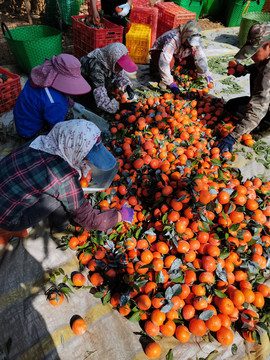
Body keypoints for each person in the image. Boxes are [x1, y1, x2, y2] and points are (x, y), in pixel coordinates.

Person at [0, 120, 134, 240]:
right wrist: (119, 216)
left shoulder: (41, 142)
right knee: (61, 199)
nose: (86, 159)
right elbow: (88, 218)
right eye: (85, 155)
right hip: (8, 218)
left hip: (6, 191)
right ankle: (59, 229)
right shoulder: (64, 177)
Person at [218, 22, 270, 153]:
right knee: (232, 106)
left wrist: (233, 136)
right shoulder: (266, 58)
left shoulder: (268, 73)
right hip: (264, 99)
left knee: (253, 131)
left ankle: (266, 125)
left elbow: (258, 107)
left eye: (254, 51)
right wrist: (246, 69)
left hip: (265, 105)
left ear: (268, 46)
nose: (251, 56)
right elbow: (262, 64)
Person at [13, 54, 91, 140]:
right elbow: (56, 127)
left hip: (22, 119)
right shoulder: (55, 102)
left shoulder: (40, 76)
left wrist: (70, 102)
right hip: (30, 132)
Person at [149, 20, 213, 94]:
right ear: (185, 36)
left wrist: (206, 74)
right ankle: (162, 77)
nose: (191, 45)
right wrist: (170, 82)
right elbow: (164, 60)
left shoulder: (192, 42)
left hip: (177, 54)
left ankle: (175, 69)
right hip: (159, 53)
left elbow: (200, 58)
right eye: (189, 42)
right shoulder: (174, 38)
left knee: (193, 61)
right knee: (169, 62)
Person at [80, 42, 138, 114]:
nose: (121, 68)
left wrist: (127, 86)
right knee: (97, 109)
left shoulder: (110, 60)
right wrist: (120, 106)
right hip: (83, 88)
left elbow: (120, 75)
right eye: (120, 65)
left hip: (96, 82)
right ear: (113, 61)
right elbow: (101, 99)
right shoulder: (97, 68)